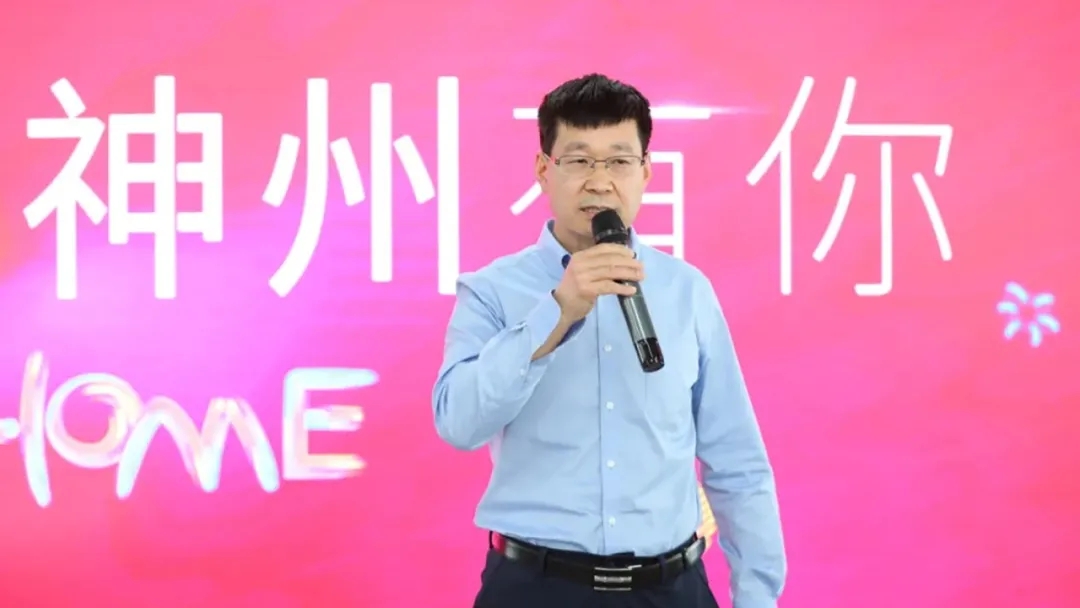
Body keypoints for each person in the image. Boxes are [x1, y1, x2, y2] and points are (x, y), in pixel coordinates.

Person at [432, 73, 786, 607]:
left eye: (619, 161)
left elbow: (736, 460)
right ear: (543, 170)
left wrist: (757, 596)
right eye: (579, 160)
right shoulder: (492, 291)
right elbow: (458, 423)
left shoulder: (686, 291)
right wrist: (557, 312)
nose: (599, 182)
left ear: (645, 171)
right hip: (535, 588)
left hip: (670, 589)